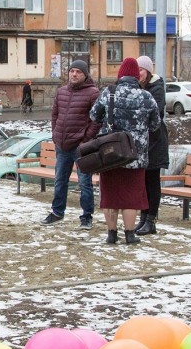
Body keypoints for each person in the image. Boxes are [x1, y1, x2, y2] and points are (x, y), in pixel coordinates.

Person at [89, 57, 160, 245]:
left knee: (110, 196)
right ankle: (129, 234)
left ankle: (111, 234)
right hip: (135, 157)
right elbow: (155, 125)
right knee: (131, 197)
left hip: (111, 154)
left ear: (120, 74)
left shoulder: (109, 93)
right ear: (137, 76)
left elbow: (94, 115)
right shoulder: (146, 97)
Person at [42, 60, 101, 229]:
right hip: (62, 144)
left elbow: (96, 121)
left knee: (84, 183)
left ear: (85, 74)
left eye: (78, 72)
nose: (74, 74)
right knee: (60, 180)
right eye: (72, 71)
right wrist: (55, 134)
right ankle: (57, 212)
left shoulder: (93, 93)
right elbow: (55, 115)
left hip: (81, 147)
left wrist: (85, 140)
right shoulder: (61, 92)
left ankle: (86, 216)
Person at [133, 56, 169, 236]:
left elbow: (155, 113)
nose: (138, 73)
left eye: (141, 70)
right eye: (136, 69)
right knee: (142, 182)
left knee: (152, 182)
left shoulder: (156, 87)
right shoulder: (138, 88)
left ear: (148, 71)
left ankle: (151, 219)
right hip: (142, 141)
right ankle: (143, 217)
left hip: (155, 141)